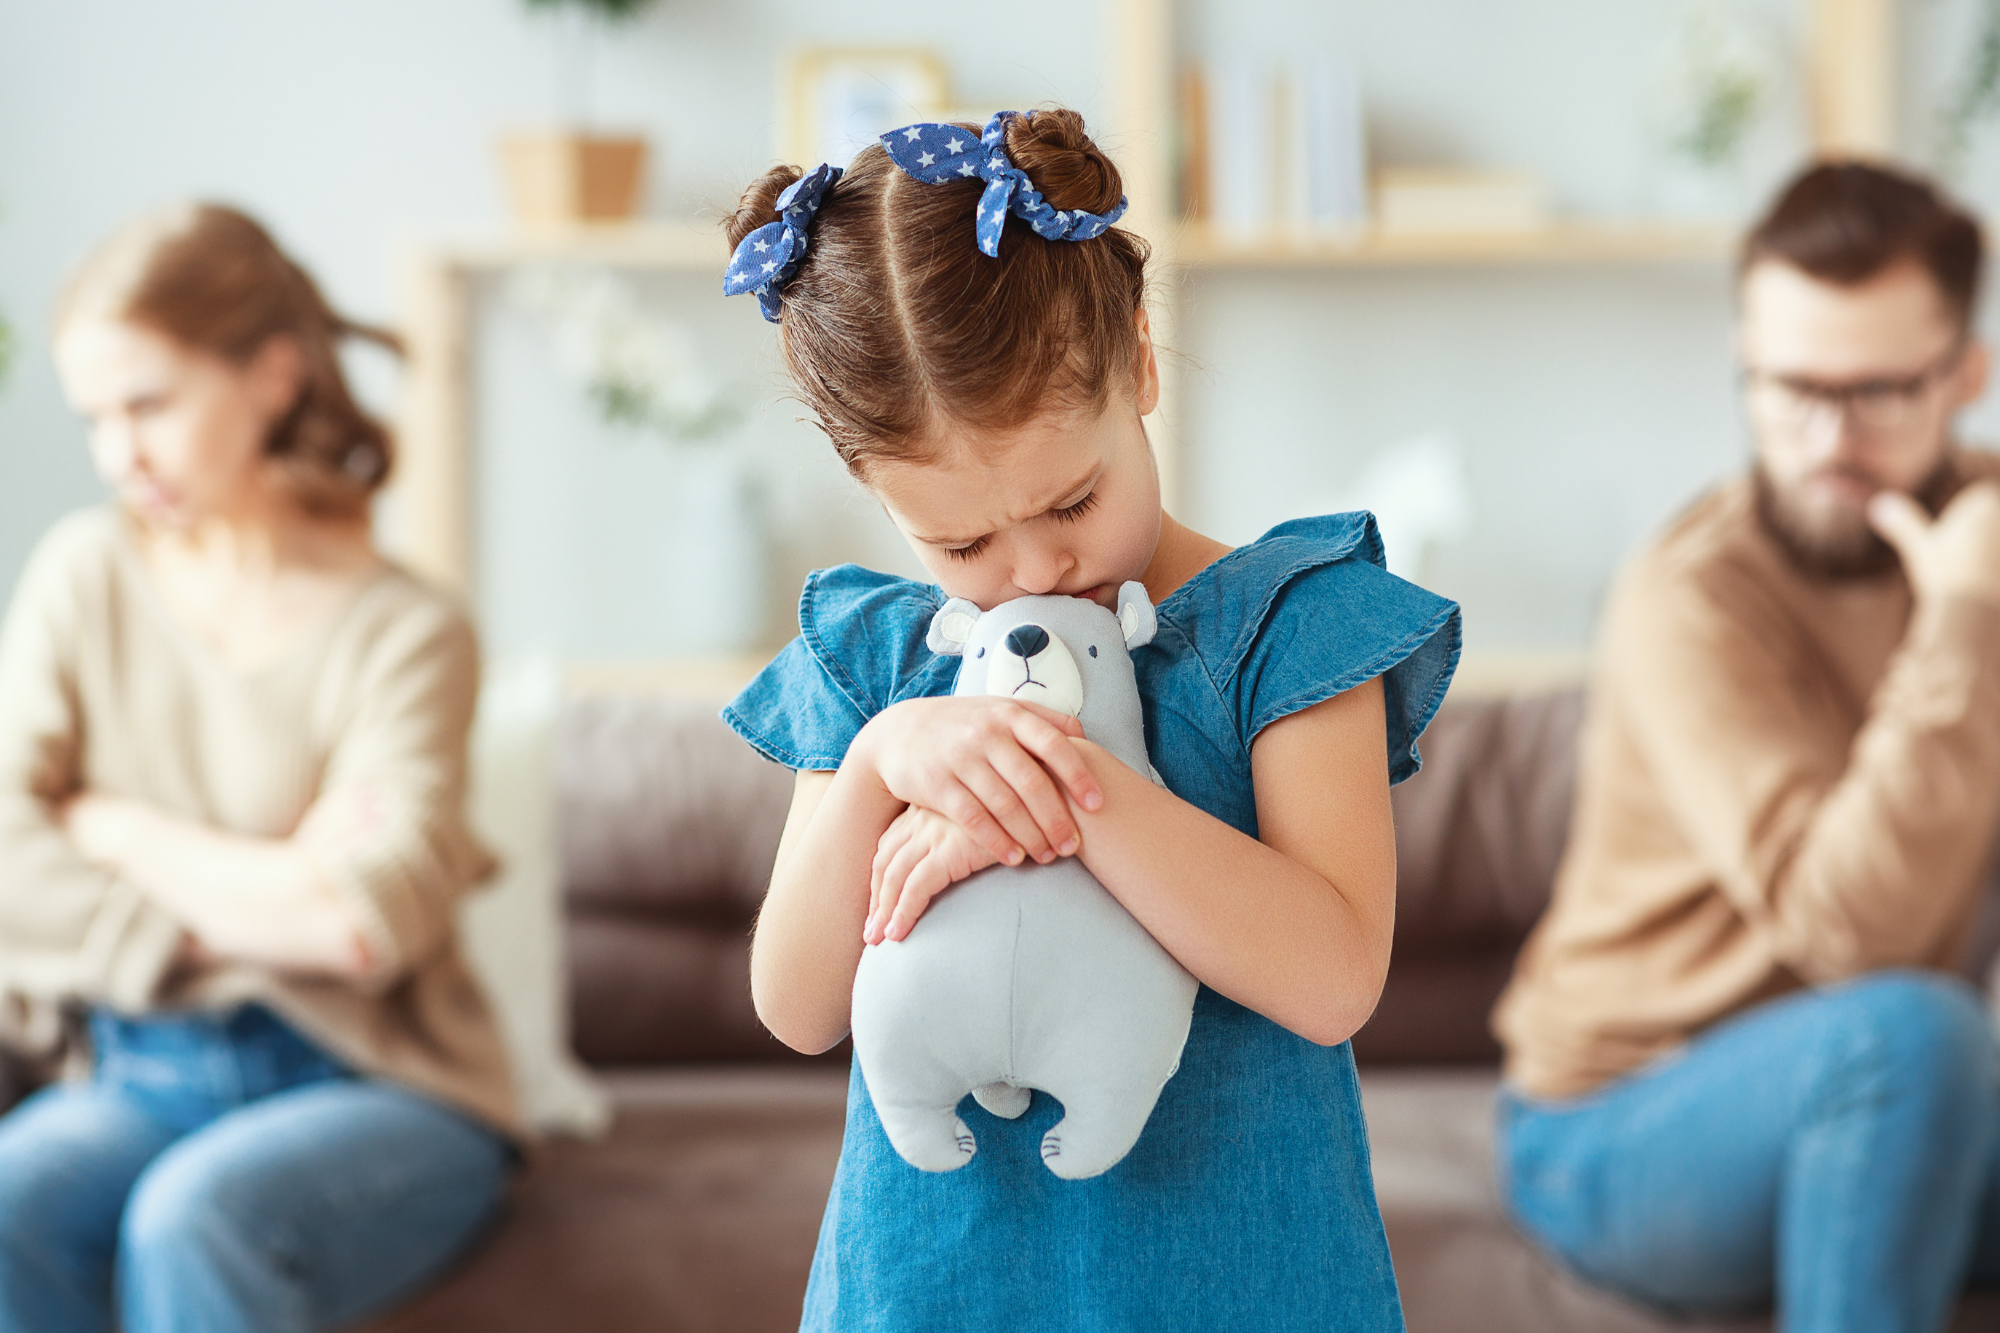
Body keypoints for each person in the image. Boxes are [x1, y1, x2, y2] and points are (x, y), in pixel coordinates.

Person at [718, 108, 1461, 1330]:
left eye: (1071, 498)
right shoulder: (880, 666)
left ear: (1140, 362)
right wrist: (875, 767)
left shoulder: (1287, 624)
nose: (1029, 572)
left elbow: (1331, 977)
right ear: (870, 490)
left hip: (1239, 1289)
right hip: (930, 1288)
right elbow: (795, 1006)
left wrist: (1063, 788)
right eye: (958, 540)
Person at [1493, 160, 2000, 1332]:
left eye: (1876, 393)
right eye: (1786, 391)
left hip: (1904, 1103)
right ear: (1743, 363)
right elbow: (1851, 930)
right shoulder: (1689, 596)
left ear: (1961, 376)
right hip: (1619, 1123)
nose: (1826, 441)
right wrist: (1961, 627)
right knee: (1907, 1035)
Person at [0, 202, 518, 1333]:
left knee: (197, 1219)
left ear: (273, 378)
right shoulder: (84, 576)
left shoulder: (408, 628)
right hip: (142, 1068)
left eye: (148, 404)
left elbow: (359, 926)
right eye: (95, 415)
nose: (116, 455)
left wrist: (111, 826)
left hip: (377, 1085)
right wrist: (265, 885)